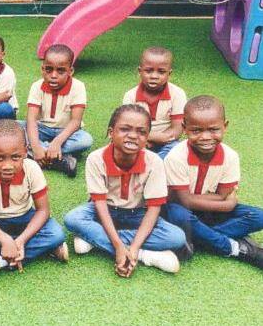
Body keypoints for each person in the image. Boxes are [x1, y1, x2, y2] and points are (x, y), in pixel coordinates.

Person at [64, 105, 186, 276]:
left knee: (177, 237)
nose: (133, 136)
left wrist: (134, 247)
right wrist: (119, 247)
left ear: (147, 138)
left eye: (141, 132)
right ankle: (145, 255)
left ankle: (93, 239)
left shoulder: (154, 162)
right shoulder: (96, 159)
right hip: (106, 210)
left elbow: (153, 209)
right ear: (111, 133)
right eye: (124, 129)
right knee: (73, 219)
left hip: (139, 213)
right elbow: (99, 203)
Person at [164, 95, 263, 268]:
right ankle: (237, 249)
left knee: (258, 216)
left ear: (225, 126)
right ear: (184, 128)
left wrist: (222, 201)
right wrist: (228, 205)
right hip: (181, 212)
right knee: (177, 212)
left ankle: (200, 239)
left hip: (210, 213)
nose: (205, 137)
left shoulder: (230, 156)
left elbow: (222, 194)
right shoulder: (176, 157)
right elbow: (184, 201)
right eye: (196, 131)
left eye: (213, 129)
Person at [0, 120, 68, 286]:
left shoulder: (32, 169)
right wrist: (4, 239)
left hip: (25, 217)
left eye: (15, 157)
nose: (7, 166)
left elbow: (43, 211)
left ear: (25, 151)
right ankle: (46, 249)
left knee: (56, 234)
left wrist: (20, 240)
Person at [25, 44, 93, 177]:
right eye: (48, 70)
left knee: (86, 140)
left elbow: (76, 122)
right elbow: (31, 119)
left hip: (66, 132)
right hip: (42, 128)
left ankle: (34, 153)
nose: (53, 75)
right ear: (42, 69)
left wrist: (56, 143)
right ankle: (58, 159)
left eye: (61, 71)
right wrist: (36, 146)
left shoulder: (78, 87)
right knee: (15, 128)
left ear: (70, 71)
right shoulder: (36, 86)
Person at [123, 47, 186, 159]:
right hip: (139, 140)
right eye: (148, 71)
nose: (154, 76)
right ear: (140, 71)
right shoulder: (130, 96)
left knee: (178, 148)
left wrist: (159, 139)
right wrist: (148, 138)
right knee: (122, 146)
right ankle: (155, 163)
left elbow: (177, 129)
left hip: (167, 142)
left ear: (169, 73)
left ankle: (152, 163)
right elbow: (128, 127)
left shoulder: (177, 94)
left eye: (161, 72)